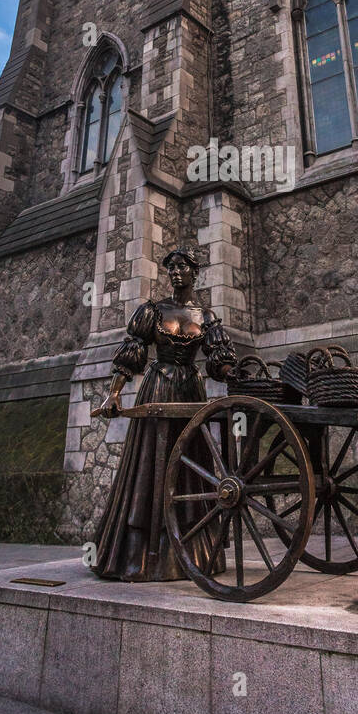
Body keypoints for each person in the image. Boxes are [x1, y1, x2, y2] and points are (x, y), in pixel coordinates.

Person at [92, 246, 237, 582]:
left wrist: (233, 372)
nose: (175, 272)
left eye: (182, 267)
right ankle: (142, 554)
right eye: (170, 267)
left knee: (190, 464)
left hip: (190, 392)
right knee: (150, 466)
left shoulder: (206, 317)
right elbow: (132, 353)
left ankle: (190, 551)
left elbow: (218, 359)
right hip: (158, 386)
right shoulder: (153, 311)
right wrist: (114, 393)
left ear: (193, 272)